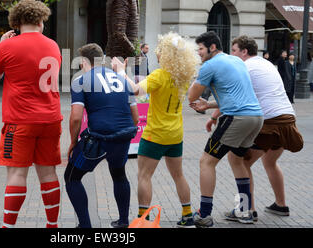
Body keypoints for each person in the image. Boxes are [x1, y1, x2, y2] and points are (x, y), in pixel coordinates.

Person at [113, 32, 200, 228]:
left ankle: (143, 219)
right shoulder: (184, 76)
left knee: (144, 176)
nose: (157, 54)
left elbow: (135, 90)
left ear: (167, 55)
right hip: (175, 134)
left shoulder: (160, 75)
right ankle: (187, 215)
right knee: (179, 175)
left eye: (160, 51)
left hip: (155, 134)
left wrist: (120, 71)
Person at [0, 0, 62, 228]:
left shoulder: (7, 46)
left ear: (17, 23)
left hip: (19, 120)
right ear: (40, 21)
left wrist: (1, 45)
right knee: (48, 174)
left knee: (17, 175)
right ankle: (52, 225)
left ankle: (8, 226)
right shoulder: (53, 46)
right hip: (50, 118)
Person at [188, 31, 263, 227]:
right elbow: (235, 93)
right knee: (236, 160)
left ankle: (204, 215)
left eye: (201, 49)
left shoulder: (209, 65)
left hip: (236, 118)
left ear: (212, 47)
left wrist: (192, 77)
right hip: (256, 117)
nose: (199, 53)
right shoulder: (236, 60)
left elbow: (191, 96)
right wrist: (209, 105)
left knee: (206, 161)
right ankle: (245, 211)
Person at [224, 36, 303, 221]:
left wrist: (211, 110)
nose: (231, 54)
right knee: (270, 162)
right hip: (288, 120)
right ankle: (281, 205)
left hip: (269, 123)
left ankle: (246, 209)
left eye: (234, 50)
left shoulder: (245, 67)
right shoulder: (266, 64)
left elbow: (233, 97)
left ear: (244, 51)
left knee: (240, 161)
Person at [65, 43, 139, 228]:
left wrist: (73, 142)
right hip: (123, 135)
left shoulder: (80, 80)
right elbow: (135, 117)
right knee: (119, 174)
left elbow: (75, 118)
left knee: (72, 177)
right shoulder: (122, 79)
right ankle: (123, 221)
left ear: (83, 62)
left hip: (98, 138)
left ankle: (85, 225)